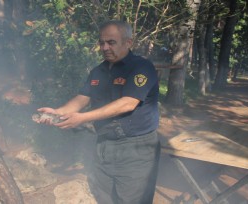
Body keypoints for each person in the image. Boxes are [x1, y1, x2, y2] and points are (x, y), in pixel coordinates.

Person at [37, 20, 160, 204]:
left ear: (128, 43)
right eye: (102, 42)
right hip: (103, 145)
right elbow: (81, 99)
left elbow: (127, 103)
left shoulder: (141, 67)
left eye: (111, 42)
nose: (105, 47)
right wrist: (57, 112)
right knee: (104, 198)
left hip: (136, 148)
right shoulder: (98, 71)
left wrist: (83, 118)